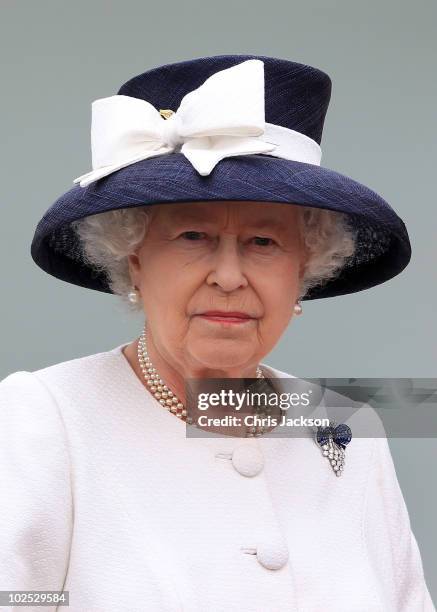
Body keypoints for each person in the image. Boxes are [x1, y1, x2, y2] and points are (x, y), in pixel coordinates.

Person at [0, 54, 434, 611]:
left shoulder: (345, 426)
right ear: (134, 261)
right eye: (192, 236)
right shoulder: (44, 418)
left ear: (304, 270)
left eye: (264, 243)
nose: (229, 277)